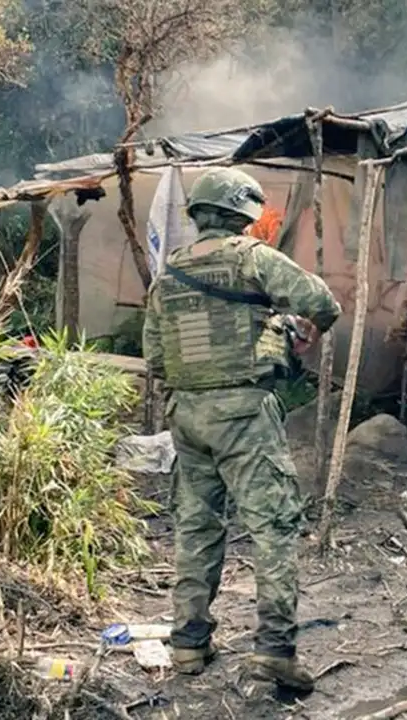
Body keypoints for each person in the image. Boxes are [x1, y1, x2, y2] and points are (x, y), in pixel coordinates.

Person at [142, 167, 341, 693]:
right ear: (243, 213)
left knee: (196, 526)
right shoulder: (253, 258)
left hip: (187, 416)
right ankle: (275, 651)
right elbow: (323, 304)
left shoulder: (170, 275)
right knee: (272, 526)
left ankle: (188, 644)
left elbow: (156, 358)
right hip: (244, 414)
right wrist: (288, 327)